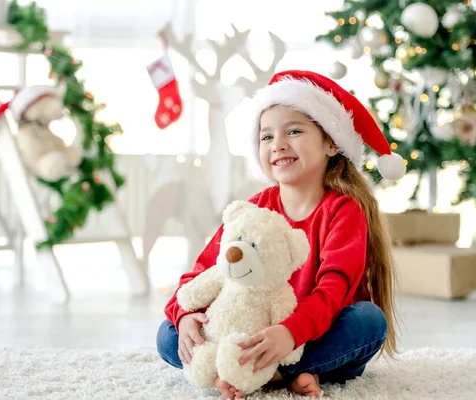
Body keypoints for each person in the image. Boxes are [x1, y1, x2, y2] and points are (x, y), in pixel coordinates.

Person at [157, 70, 406, 399]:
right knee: (168, 335)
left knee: (368, 322)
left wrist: (288, 334)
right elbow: (204, 272)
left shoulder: (344, 211)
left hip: (311, 335)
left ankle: (270, 372)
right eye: (267, 137)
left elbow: (334, 289)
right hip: (250, 330)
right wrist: (185, 315)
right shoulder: (253, 209)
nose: (278, 145)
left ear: (331, 142)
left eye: (294, 131)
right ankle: (272, 372)